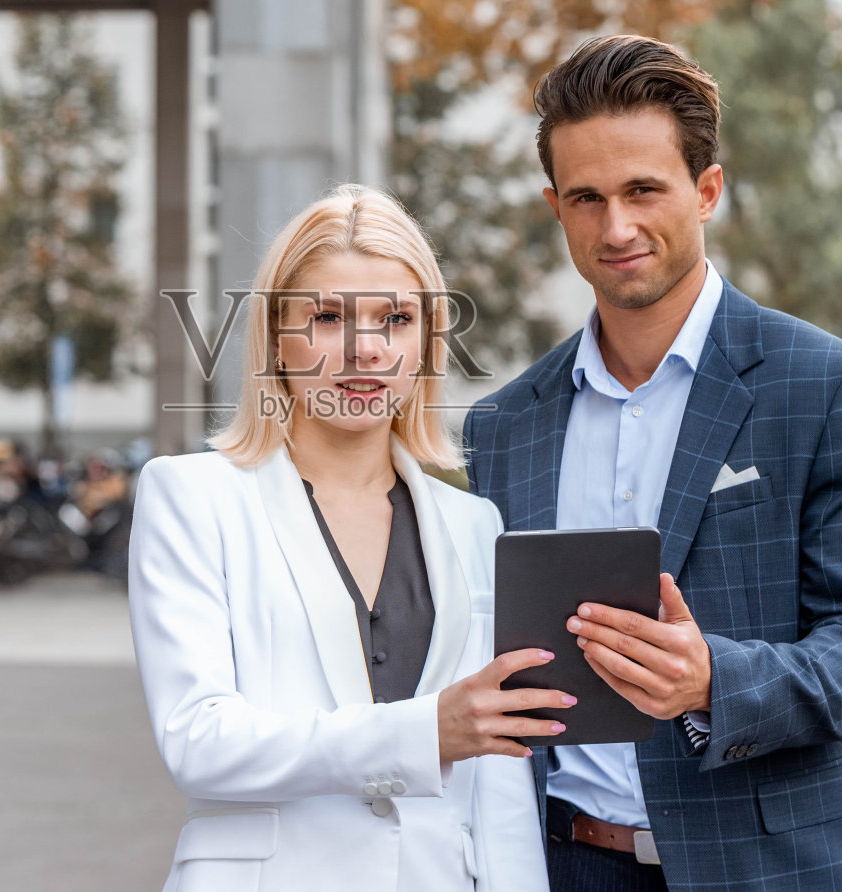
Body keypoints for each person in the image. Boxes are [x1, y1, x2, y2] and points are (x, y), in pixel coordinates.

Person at [464, 35, 842, 891]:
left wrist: (716, 679)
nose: (617, 227)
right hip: (561, 864)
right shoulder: (502, 426)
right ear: (554, 207)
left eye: (644, 189)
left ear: (707, 190)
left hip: (778, 869)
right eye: (586, 198)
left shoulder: (835, 388)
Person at [130, 185, 559, 892]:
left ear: (426, 341)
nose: (365, 351)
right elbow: (199, 741)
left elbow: (497, 777)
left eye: (395, 319)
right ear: (275, 338)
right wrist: (419, 736)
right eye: (328, 317)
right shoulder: (193, 498)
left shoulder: (474, 525)